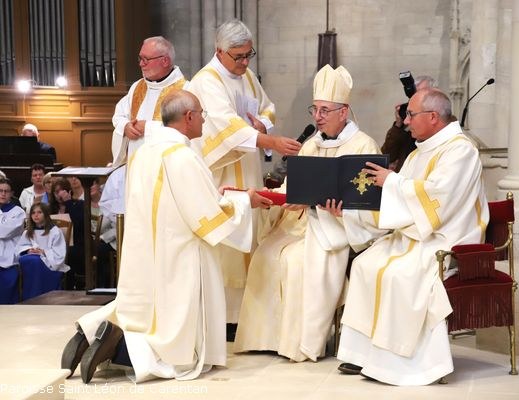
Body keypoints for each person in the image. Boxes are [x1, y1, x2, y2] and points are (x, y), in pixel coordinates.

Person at [61, 89, 273, 384]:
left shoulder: (145, 153)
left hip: (147, 247)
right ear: (189, 117)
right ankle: (122, 348)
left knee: (147, 314)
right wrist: (244, 200)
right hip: (180, 252)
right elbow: (206, 217)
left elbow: (181, 200)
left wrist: (218, 194)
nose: (204, 120)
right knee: (175, 338)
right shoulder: (182, 156)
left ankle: (90, 331)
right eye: (202, 114)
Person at [336, 88, 489, 385]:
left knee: (399, 274)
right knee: (365, 265)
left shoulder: (461, 151)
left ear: (433, 117)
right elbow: (398, 202)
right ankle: (364, 354)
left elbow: (438, 198)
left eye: (411, 115)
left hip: (446, 238)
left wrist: (392, 181)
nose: (406, 122)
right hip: (414, 234)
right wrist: (350, 212)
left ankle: (401, 362)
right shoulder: (420, 151)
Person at [234, 65, 385, 362]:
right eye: (314, 109)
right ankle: (266, 338)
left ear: (343, 112)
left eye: (325, 110)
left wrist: (338, 211)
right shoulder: (311, 144)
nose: (317, 116)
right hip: (298, 224)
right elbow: (292, 187)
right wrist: (276, 198)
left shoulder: (363, 145)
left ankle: (300, 343)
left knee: (297, 261)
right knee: (264, 254)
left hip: (334, 227)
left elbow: (369, 202)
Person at [188, 19, 301, 326]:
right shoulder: (207, 81)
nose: (245, 62)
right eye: (238, 56)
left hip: (247, 167)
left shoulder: (247, 76)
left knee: (250, 234)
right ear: (219, 51)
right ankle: (224, 317)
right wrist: (272, 141)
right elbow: (227, 127)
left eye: (249, 55)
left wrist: (263, 124)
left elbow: (267, 107)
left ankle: (245, 316)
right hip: (221, 171)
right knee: (228, 241)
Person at [111, 36, 189, 164]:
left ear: (165, 61)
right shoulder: (137, 87)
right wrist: (125, 126)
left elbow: (185, 129)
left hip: (165, 165)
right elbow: (119, 115)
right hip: (136, 164)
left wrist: (147, 128)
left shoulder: (185, 91)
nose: (141, 64)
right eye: (140, 58)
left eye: (146, 59)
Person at [15, 203, 69, 300]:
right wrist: (28, 250)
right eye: (33, 213)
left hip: (49, 262)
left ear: (46, 214)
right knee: (27, 260)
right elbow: (20, 247)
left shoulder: (55, 231)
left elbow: (59, 253)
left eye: (39, 212)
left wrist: (43, 252)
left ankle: (36, 296)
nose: (36, 215)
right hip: (30, 258)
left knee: (35, 261)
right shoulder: (28, 232)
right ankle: (29, 296)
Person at [381, 75, 436, 172]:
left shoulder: (441, 125)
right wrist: (398, 126)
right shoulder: (406, 124)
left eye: (421, 95)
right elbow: (388, 156)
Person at [0, 178, 26, 304]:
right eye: (0, 191)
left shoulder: (18, 212)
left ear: (11, 193)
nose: (3, 194)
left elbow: (5, 232)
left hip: (9, 258)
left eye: (6, 191)